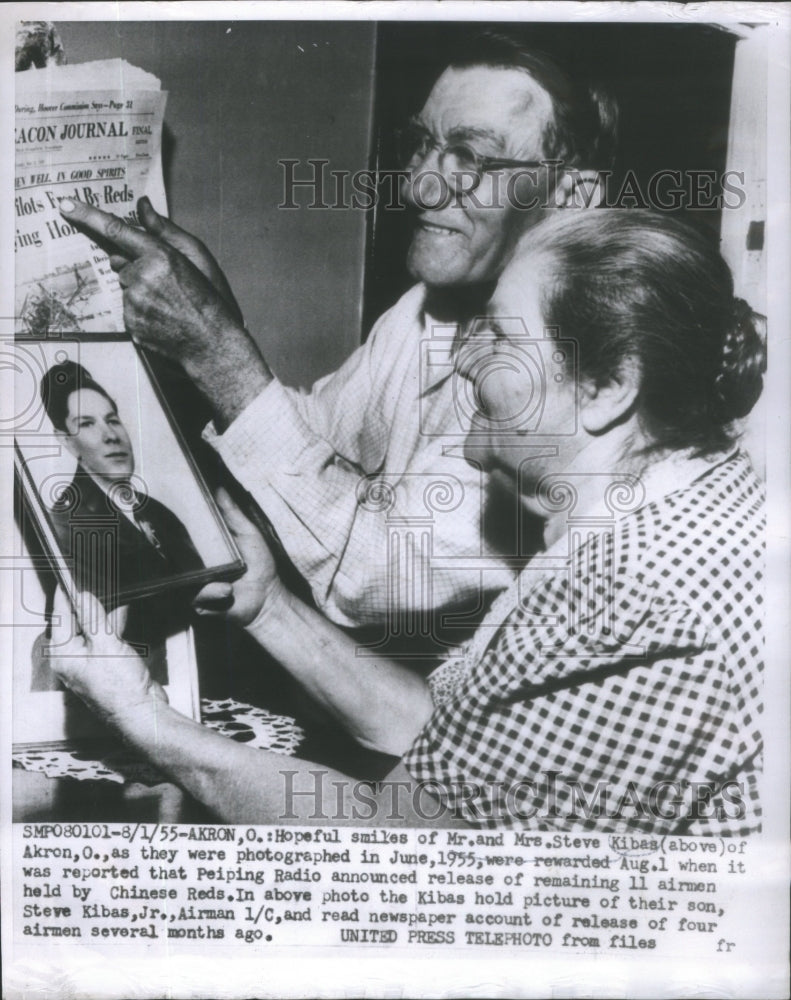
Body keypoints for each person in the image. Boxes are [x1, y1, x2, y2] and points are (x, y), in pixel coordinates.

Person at [49, 209, 765, 834]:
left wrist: (144, 720)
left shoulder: (627, 593)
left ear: (607, 389)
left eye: (499, 338)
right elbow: (450, 746)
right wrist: (271, 608)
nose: (461, 357)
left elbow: (400, 839)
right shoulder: (655, 521)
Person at [57, 31, 618, 630]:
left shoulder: (577, 376)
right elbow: (313, 442)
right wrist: (216, 325)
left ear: (571, 198)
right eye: (423, 144)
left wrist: (217, 351)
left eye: (472, 159)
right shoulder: (428, 309)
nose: (418, 185)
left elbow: (374, 568)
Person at [32, 361, 204, 687]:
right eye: (88, 423)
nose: (111, 435)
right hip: (130, 677)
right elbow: (110, 625)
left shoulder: (156, 512)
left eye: (113, 420)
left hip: (191, 663)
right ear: (66, 441)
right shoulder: (65, 523)